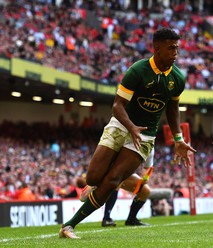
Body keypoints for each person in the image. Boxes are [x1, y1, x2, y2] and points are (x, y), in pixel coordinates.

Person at [59, 27, 196, 239]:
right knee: (95, 176)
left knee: (113, 180)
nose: (175, 52)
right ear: (157, 49)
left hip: (145, 135)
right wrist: (131, 126)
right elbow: (117, 105)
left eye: (177, 48)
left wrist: (178, 138)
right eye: (171, 48)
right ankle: (92, 184)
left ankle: (69, 226)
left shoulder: (178, 78)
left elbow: (172, 109)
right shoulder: (138, 70)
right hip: (121, 125)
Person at [101, 148, 155, 227]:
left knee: (145, 191)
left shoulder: (150, 148)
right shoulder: (128, 139)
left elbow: (147, 167)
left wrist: (145, 177)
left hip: (124, 173)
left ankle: (131, 219)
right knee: (118, 180)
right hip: (109, 169)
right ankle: (106, 218)